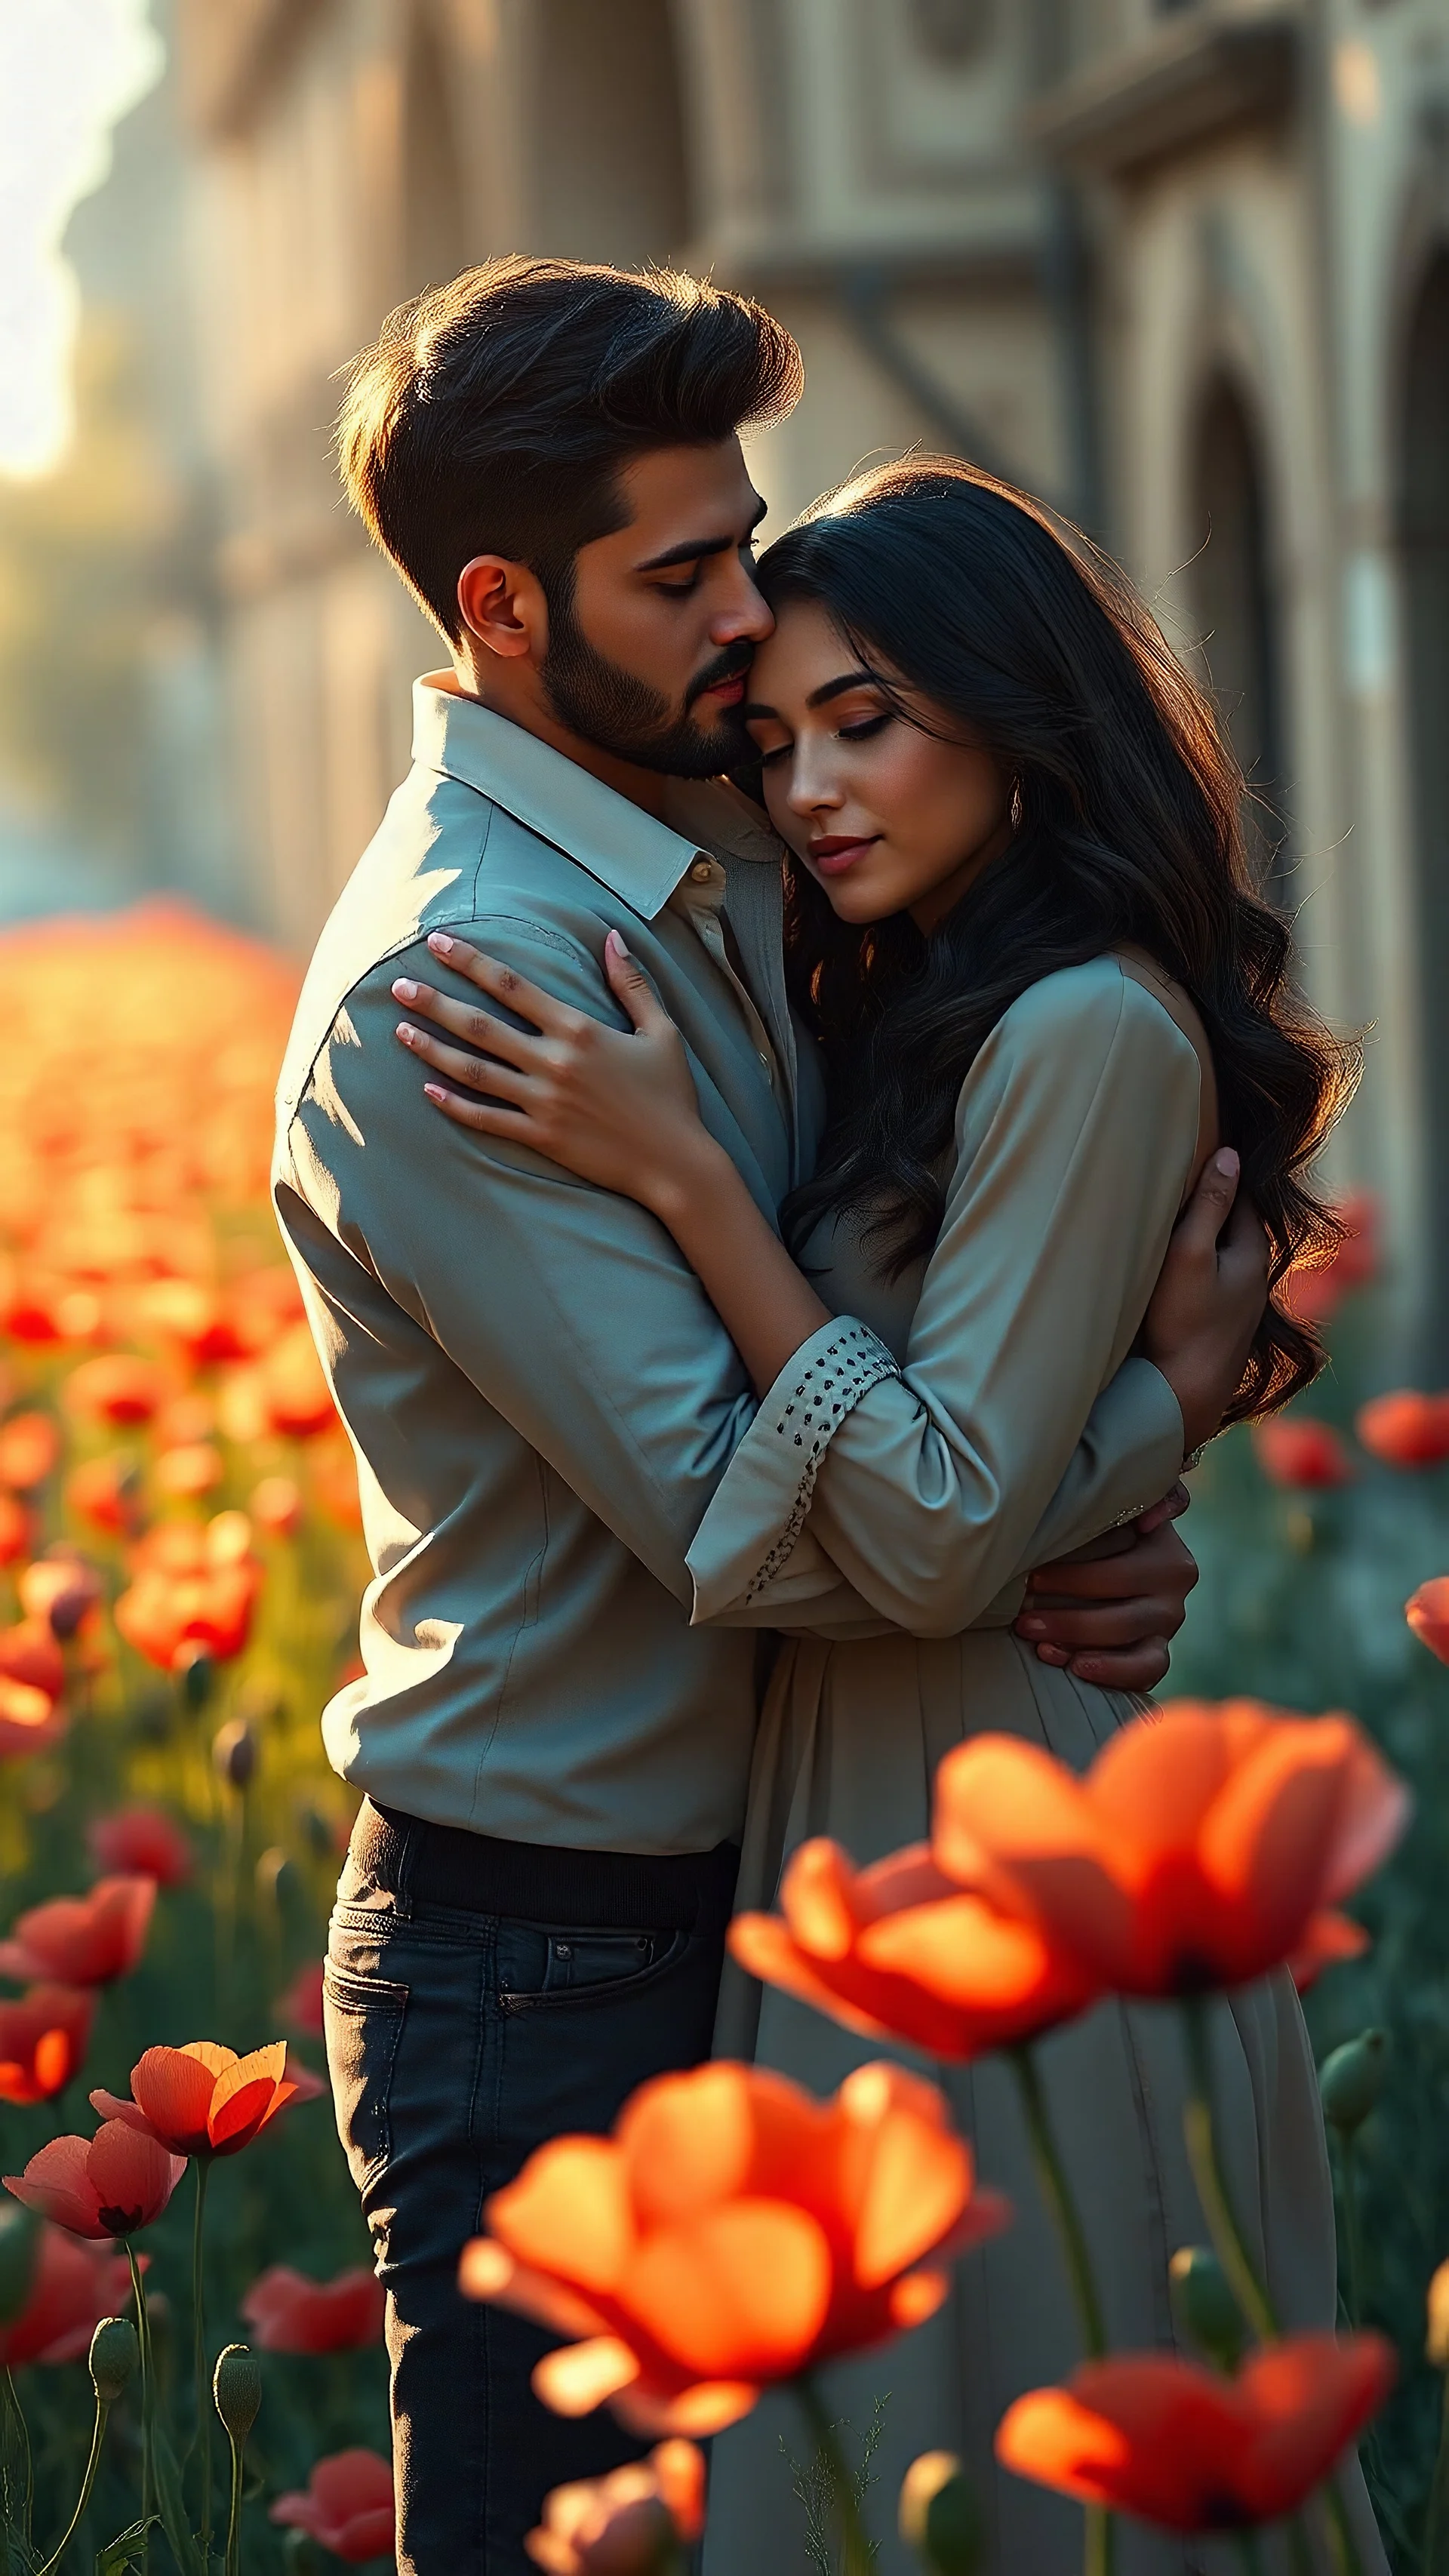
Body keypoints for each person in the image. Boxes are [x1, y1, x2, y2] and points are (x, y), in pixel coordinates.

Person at [274, 258, 1264, 2574]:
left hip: (786, 1872)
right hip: (551, 1960)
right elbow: (797, 1513)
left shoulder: (714, 842)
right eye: (685, 574)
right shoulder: (467, 984)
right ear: (507, 606)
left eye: (748, 539)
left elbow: (935, 1380)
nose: (753, 625)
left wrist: (1090, 1443)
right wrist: (1146, 1419)